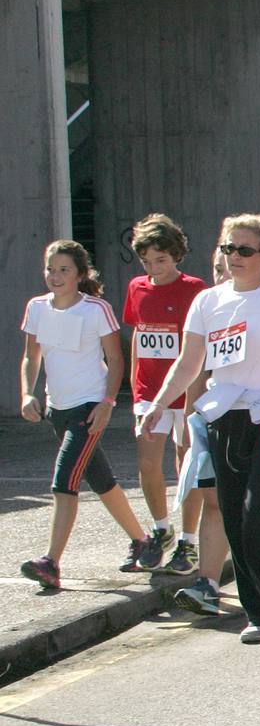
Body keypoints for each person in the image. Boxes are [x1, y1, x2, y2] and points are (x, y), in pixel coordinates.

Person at [138, 214, 260, 646]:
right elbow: (189, 362)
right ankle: (258, 613)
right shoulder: (208, 302)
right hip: (224, 419)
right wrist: (160, 404)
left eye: (245, 250)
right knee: (234, 519)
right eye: (228, 248)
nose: (234, 257)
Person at [17, 241, 153, 591]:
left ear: (80, 274)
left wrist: (108, 402)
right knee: (101, 480)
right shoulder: (36, 308)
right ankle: (142, 541)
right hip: (57, 409)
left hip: (89, 408)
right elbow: (31, 357)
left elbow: (116, 359)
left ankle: (51, 563)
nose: (56, 276)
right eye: (51, 269)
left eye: (64, 269)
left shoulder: (96, 309)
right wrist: (28, 392)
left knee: (64, 481)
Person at [121, 214, 209, 573]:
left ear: (176, 256)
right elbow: (138, 341)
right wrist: (134, 388)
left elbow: (198, 348)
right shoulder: (136, 288)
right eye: (147, 261)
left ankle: (188, 542)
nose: (154, 268)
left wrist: (193, 399)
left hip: (185, 394)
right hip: (148, 393)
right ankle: (161, 529)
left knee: (184, 466)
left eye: (161, 260)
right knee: (147, 463)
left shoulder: (195, 289)